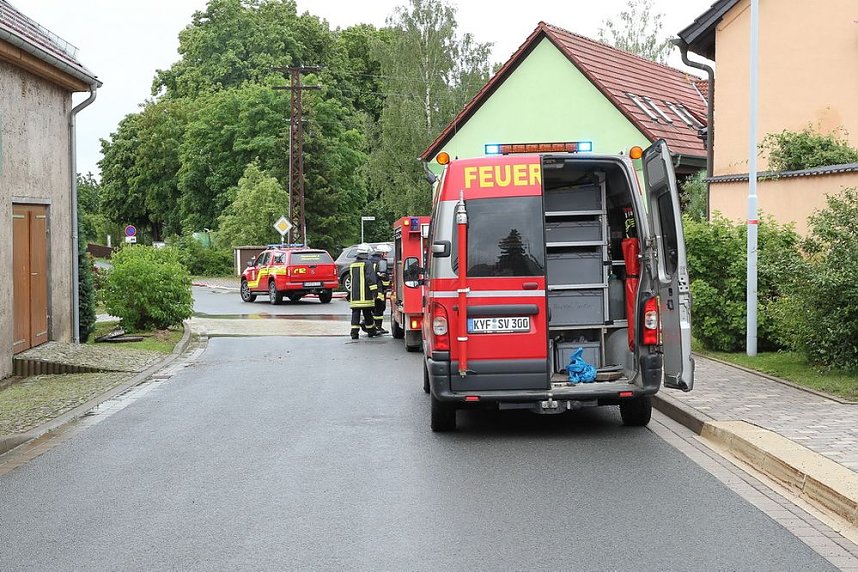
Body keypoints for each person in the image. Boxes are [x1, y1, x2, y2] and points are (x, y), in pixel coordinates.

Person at [348, 243, 378, 340]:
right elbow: (370, 279)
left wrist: (349, 294)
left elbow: (352, 280)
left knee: (355, 314)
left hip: (355, 297)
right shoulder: (368, 264)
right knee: (367, 314)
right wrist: (375, 291)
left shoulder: (352, 264)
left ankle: (354, 333)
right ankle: (371, 331)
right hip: (366, 296)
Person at [369, 244, 392, 335]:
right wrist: (386, 286)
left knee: (372, 308)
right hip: (379, 289)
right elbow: (384, 277)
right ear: (381, 253)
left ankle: (372, 326)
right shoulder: (382, 262)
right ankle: (378, 327)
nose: (386, 255)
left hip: (370, 289)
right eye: (386, 253)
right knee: (380, 308)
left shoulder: (369, 261)